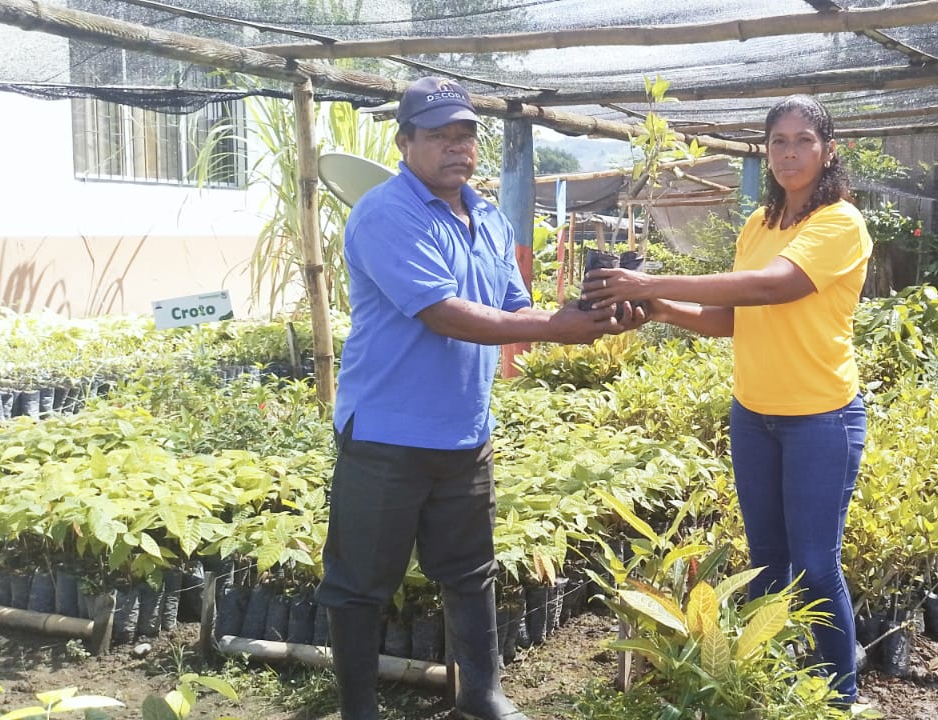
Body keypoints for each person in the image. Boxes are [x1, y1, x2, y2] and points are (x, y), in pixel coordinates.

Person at [317, 76, 635, 720]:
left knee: (469, 571)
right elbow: (443, 313)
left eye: (465, 136)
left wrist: (587, 316)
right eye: (439, 135)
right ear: (405, 142)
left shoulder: (488, 218)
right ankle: (358, 710)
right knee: (360, 585)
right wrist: (557, 328)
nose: (457, 148)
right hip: (386, 434)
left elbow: (514, 307)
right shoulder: (386, 213)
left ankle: (481, 696)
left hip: (465, 432)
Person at [582, 94, 873, 706]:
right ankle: (764, 682)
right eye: (778, 142)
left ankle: (839, 699)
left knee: (815, 564)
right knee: (766, 559)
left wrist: (651, 280)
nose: (790, 153)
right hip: (754, 414)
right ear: (766, 152)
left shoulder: (839, 222)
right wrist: (660, 308)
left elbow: (774, 286)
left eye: (803, 140)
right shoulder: (758, 225)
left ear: (828, 151)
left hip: (820, 418)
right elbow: (733, 317)